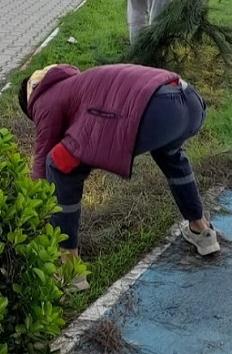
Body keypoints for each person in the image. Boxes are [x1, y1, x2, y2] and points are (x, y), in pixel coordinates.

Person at [18, 63, 220, 289]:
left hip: (153, 111)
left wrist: (32, 213)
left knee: (59, 166)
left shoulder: (41, 99)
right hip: (189, 101)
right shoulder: (74, 82)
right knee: (170, 154)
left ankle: (70, 268)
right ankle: (201, 230)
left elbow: (41, 159)